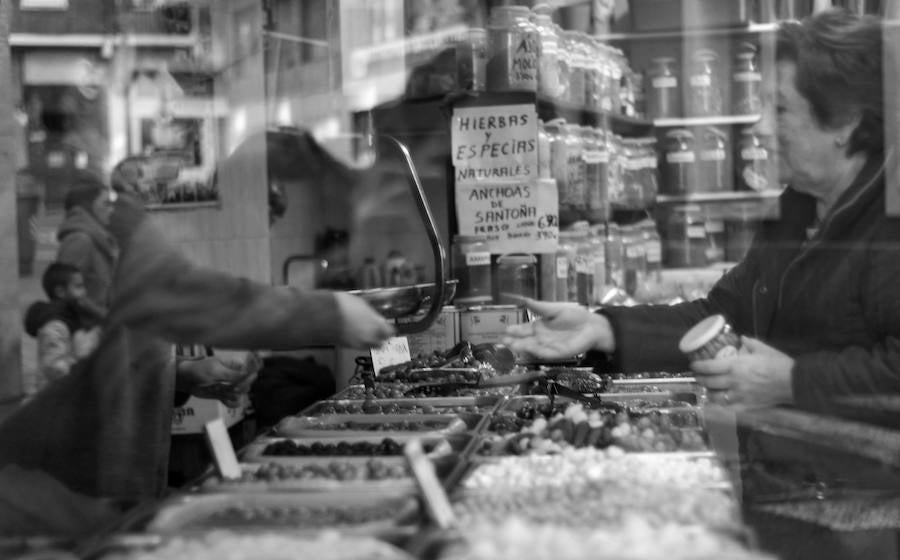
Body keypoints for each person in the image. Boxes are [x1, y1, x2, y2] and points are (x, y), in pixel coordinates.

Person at [504, 9, 899, 414]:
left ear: (847, 123)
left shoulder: (889, 223)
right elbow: (722, 314)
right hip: (788, 464)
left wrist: (794, 382)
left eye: (779, 109)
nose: (759, 128)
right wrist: (602, 328)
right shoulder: (798, 208)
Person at [0, 191, 395, 521]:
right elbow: (193, 298)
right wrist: (331, 313)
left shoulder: (112, 239)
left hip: (106, 487)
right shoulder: (92, 244)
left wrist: (182, 374)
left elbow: (118, 363)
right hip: (69, 488)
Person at [23, 262, 103, 393]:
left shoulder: (72, 317)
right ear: (60, 292)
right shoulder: (55, 325)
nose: (84, 292)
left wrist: (96, 335)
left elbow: (78, 345)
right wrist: (82, 358)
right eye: (78, 287)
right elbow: (54, 368)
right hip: (55, 400)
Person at [56, 173, 117, 309]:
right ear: (88, 207)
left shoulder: (98, 238)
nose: (111, 210)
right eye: (106, 203)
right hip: (90, 327)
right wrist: (104, 317)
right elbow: (67, 295)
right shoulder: (79, 241)